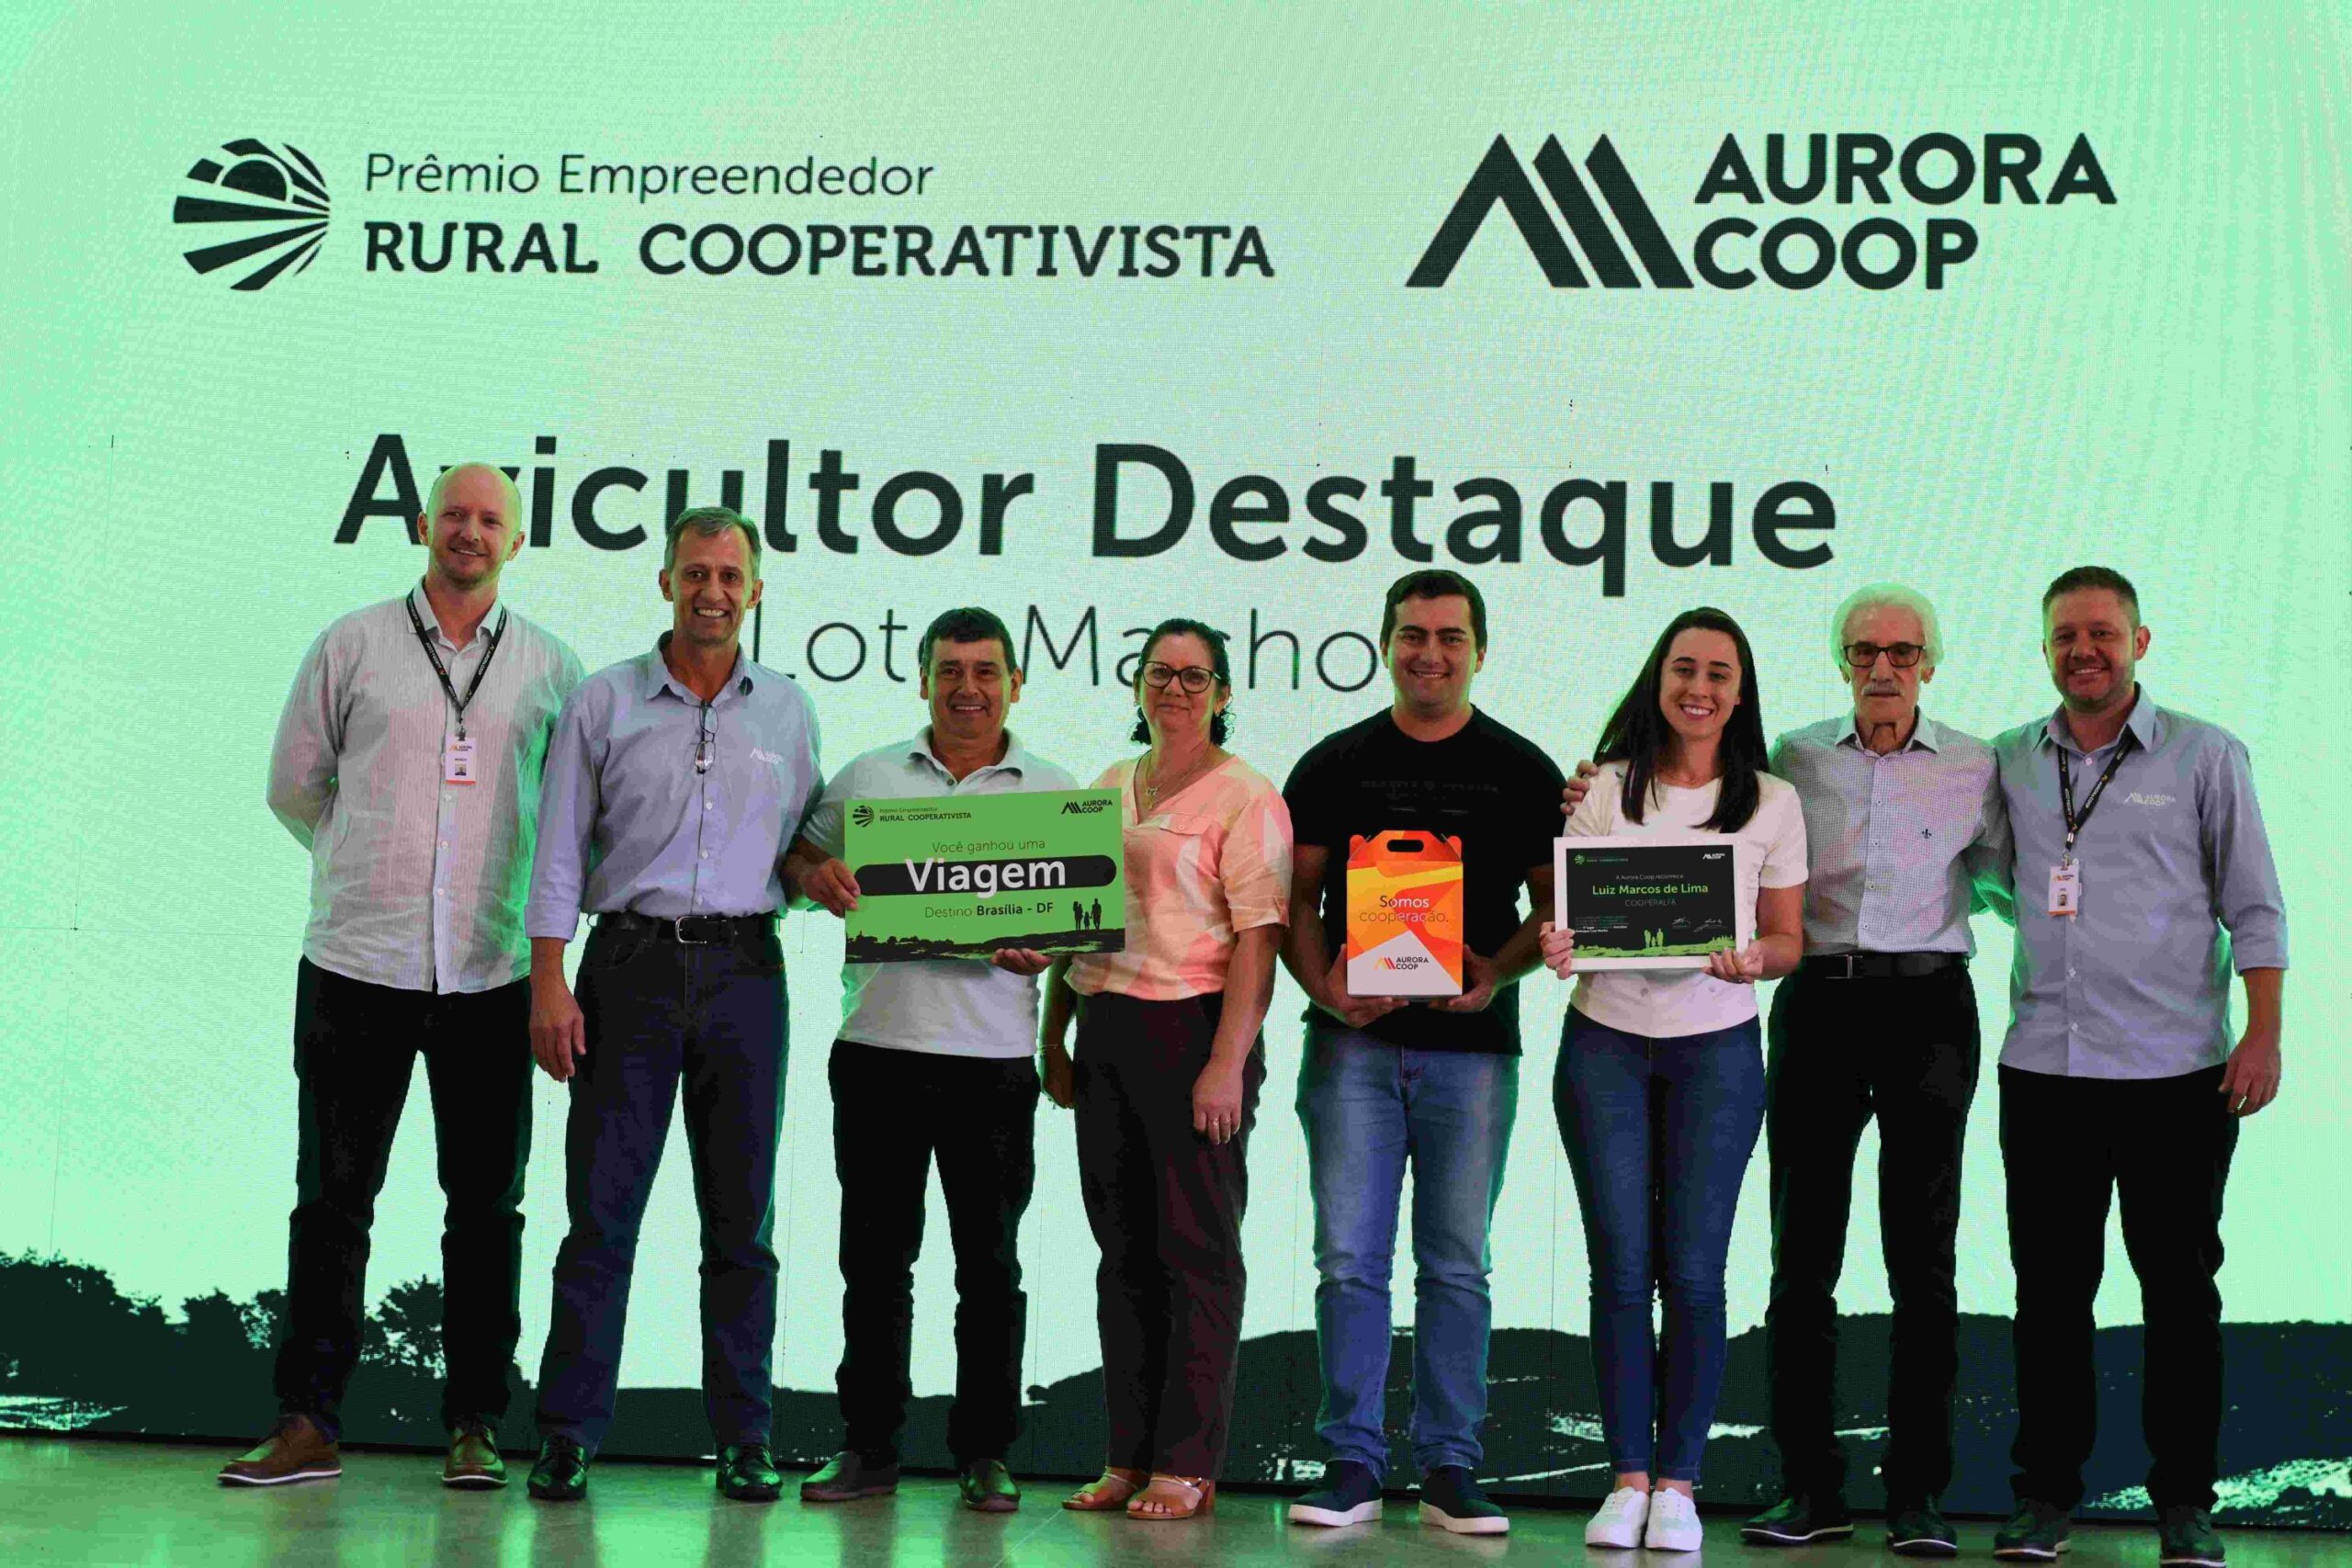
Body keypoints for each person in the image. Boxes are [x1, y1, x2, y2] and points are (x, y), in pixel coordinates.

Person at [230, 464, 582, 1491]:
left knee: (487, 1211)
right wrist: (365, 863)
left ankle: (475, 1423)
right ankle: (308, 1422)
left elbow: (570, 823)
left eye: (490, 519)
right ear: (423, 524)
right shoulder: (351, 645)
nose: (470, 532)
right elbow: (295, 785)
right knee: (332, 1204)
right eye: (454, 515)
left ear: (517, 540)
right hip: (357, 963)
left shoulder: (553, 669)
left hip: (491, 971)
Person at [1984, 568, 2286, 1568]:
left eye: (2103, 633)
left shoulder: (2206, 754)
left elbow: (2255, 906)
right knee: (2049, 1295)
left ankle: (2186, 1504)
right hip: (2047, 1071)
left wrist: (2262, 1034)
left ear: (2139, 642)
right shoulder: (2008, 760)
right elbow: (1976, 871)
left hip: (2179, 1076)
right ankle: (2044, 1498)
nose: (2085, 651)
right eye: (2065, 635)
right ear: (2044, 648)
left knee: (2180, 1295)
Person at [521, 506, 821, 1505]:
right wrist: (549, 980)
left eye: (730, 577)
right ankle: (567, 1434)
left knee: (741, 1225)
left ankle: (746, 1437)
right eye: (696, 573)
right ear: (665, 582)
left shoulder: (788, 712)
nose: (712, 592)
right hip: (628, 969)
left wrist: (831, 875)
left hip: (746, 974)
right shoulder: (604, 700)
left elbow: (801, 847)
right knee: (600, 1219)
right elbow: (558, 849)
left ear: (756, 591)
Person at [1277, 570, 1563, 1537]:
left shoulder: (1522, 768)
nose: (1428, 653)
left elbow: (1554, 908)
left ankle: (1450, 1468)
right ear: (1385, 643)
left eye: (1449, 636)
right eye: (1411, 634)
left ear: (1480, 649)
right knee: (1348, 1262)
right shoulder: (1333, 763)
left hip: (1472, 1051)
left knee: (1455, 1265)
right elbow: (1296, 903)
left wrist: (1499, 972)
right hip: (1350, 1050)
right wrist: (1325, 989)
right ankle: (1351, 1463)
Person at [781, 608, 1076, 1514]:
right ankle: (868, 1447)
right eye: (950, 669)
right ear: (922, 679)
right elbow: (798, 859)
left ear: (1015, 683)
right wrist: (813, 877)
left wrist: (1051, 945)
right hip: (877, 1054)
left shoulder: (1054, 791)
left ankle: (985, 1452)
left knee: (989, 1271)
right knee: (874, 1268)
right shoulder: (868, 775)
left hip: (993, 1065)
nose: (967, 688)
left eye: (985, 671)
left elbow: (1082, 925)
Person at [1736, 584, 2006, 1555]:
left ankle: (1917, 1495)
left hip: (1930, 1008)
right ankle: (1808, 1487)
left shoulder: (1977, 763)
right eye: (1863, 651)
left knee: (1923, 1260)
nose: (1882, 668)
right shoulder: (1795, 757)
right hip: (1818, 1003)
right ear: (1841, 661)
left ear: (1930, 663)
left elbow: (2011, 881)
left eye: (1901, 651)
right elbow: (1730, 847)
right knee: (1801, 1256)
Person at [1538, 606, 1807, 1552]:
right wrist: (1559, 943)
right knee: (1619, 1269)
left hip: (1717, 1054)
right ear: (1659, 680)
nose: (1698, 688)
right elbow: (1567, 913)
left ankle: (1680, 1483)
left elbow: (1788, 938)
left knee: (1694, 1272)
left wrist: (1755, 959)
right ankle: (1626, 1479)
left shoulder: (1771, 800)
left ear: (1740, 693)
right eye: (1683, 669)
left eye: (1718, 674)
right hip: (1604, 1046)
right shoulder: (1605, 787)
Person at [1034, 619, 1292, 1523]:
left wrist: (1226, 1064)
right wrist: (1053, 1036)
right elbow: (1074, 920)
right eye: (1160, 673)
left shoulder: (1246, 796)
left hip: (1194, 1032)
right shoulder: (1109, 783)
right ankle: (1127, 1456)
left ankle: (1186, 1461)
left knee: (1197, 1255)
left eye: (1194, 676)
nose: (1174, 689)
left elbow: (1260, 939)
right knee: (1123, 1257)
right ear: (1138, 684)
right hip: (1104, 1028)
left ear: (1223, 693)